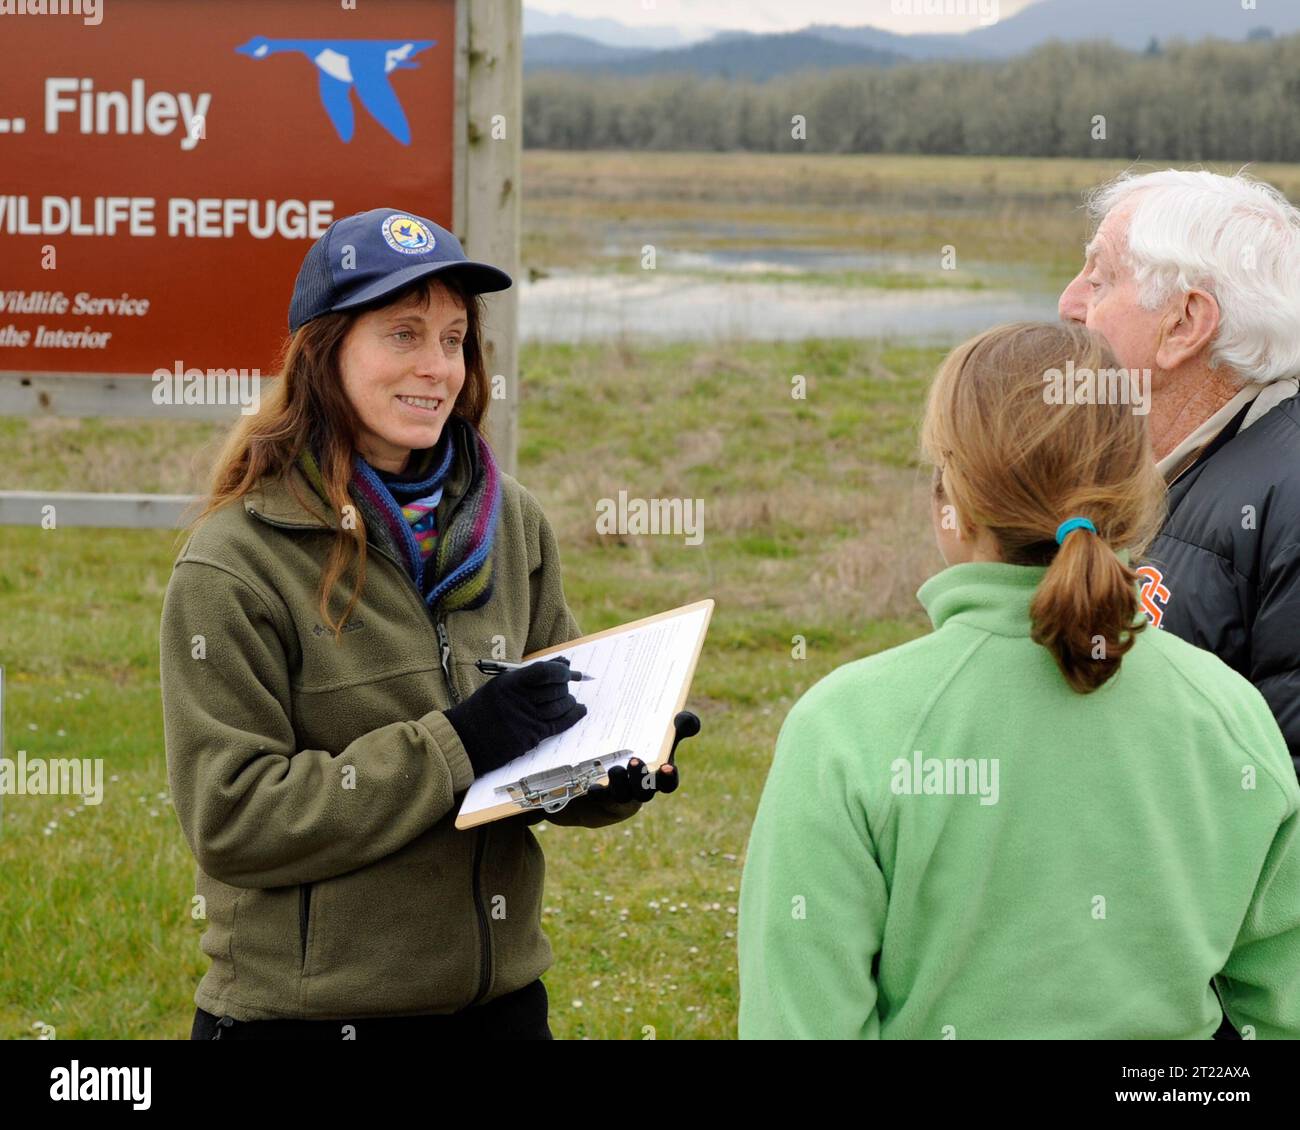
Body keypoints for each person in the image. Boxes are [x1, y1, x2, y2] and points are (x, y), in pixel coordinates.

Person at [160, 207, 690, 1040]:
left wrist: (607, 766)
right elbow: (233, 821)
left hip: (502, 1011)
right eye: (403, 334)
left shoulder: (511, 522)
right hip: (310, 1018)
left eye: (452, 339)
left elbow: (535, 736)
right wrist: (456, 745)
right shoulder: (234, 563)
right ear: (325, 353)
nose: (436, 367)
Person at [737, 322, 1300, 1039]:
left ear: (954, 503)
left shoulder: (845, 729)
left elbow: (799, 1022)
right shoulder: (1231, 716)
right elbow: (1281, 1012)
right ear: (1136, 487)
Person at [1059, 169, 1300, 777]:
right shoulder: (1171, 464)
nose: (1069, 305)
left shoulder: (1287, 495)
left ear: (1185, 325)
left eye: (1099, 279)